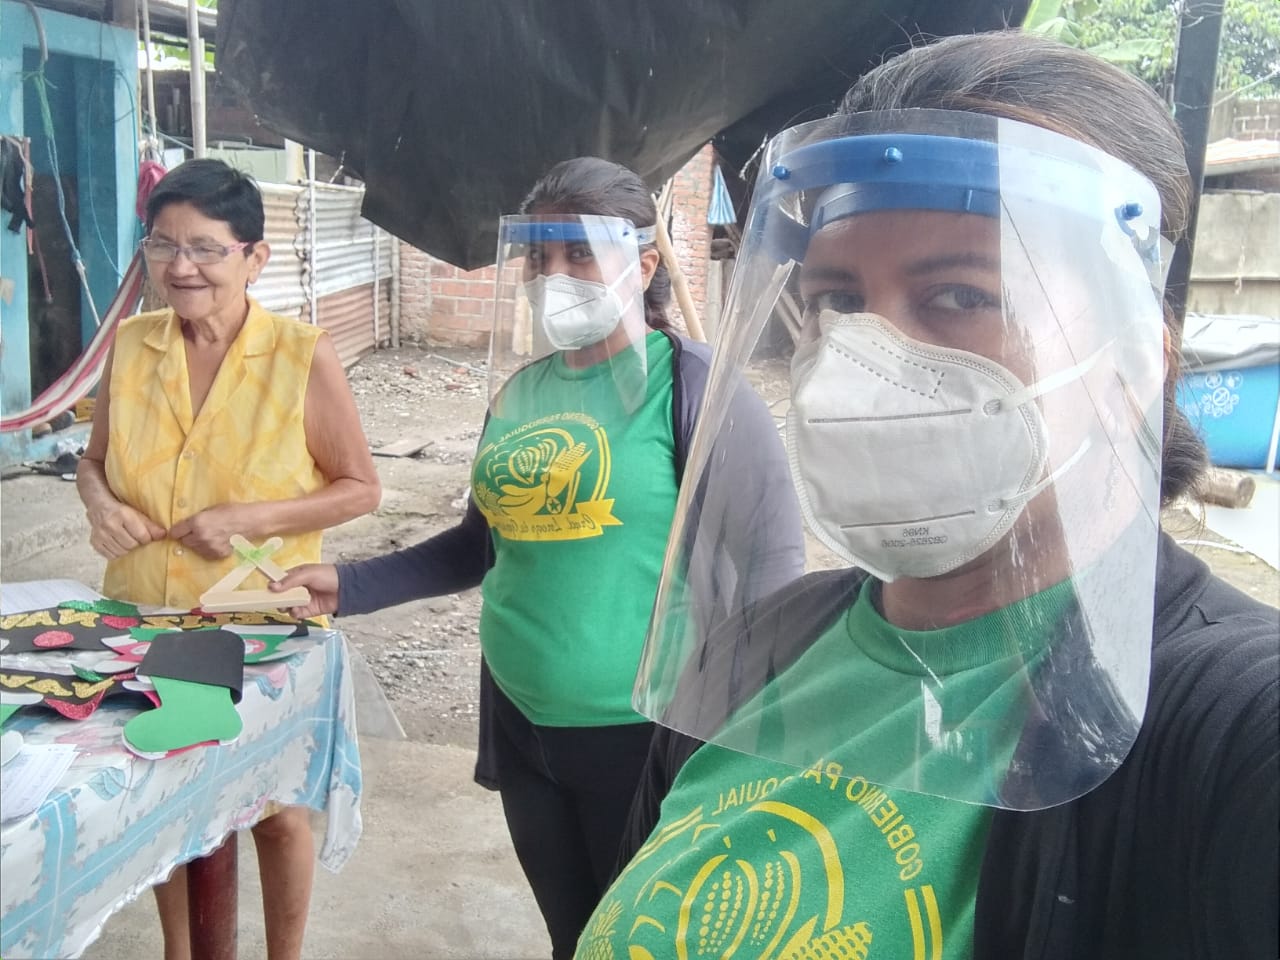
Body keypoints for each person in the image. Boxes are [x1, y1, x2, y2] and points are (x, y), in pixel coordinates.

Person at [575, 31, 1278, 960]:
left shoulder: (1233, 731)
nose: (860, 364)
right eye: (835, 301)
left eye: (959, 295)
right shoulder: (765, 646)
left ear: (1136, 362)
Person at [274, 156, 804, 957]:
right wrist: (347, 584)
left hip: (644, 737)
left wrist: (744, 752)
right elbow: (479, 544)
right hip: (523, 727)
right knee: (572, 937)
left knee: (644, 941)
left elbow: (772, 579)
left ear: (644, 265)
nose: (555, 276)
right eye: (540, 257)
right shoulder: (520, 392)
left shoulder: (697, 391)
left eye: (580, 254)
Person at [76, 158, 381, 960]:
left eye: (207, 248)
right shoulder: (132, 346)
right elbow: (91, 461)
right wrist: (102, 506)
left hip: (259, 622)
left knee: (274, 811)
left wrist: (254, 518)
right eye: (163, 245)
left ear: (255, 257)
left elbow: (360, 488)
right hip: (146, 614)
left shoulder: (300, 355)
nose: (182, 268)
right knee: (168, 799)